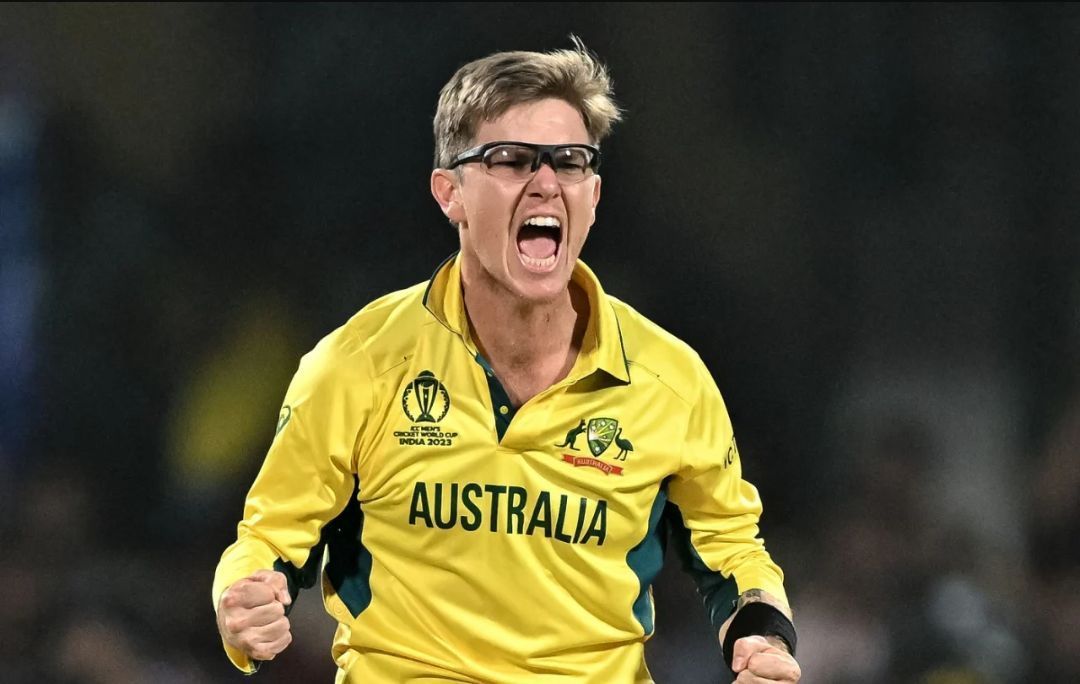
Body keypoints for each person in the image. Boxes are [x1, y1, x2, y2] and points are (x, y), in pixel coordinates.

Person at [213, 39, 801, 684]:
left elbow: (731, 549)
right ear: (449, 194)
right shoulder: (359, 362)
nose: (546, 183)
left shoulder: (671, 380)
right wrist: (242, 598)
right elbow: (270, 537)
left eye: (570, 162)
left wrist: (761, 635)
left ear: (595, 192)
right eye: (512, 160)